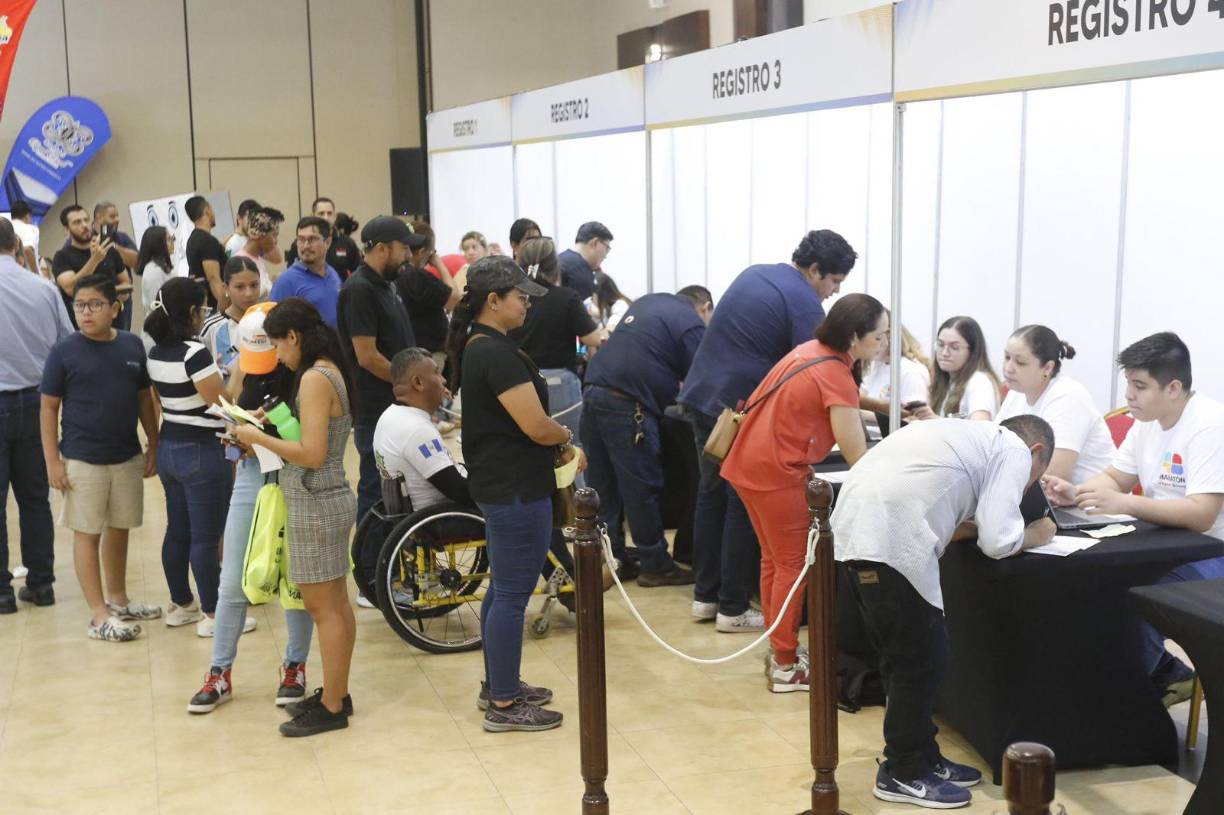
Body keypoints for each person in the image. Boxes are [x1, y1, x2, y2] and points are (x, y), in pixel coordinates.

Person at [834, 415, 1058, 809]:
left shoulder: (967, 434)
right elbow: (998, 541)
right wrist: (1037, 534)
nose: (1028, 487)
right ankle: (902, 771)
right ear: (1036, 452)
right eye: (1034, 478)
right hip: (891, 536)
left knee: (901, 657)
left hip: (856, 528)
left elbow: (960, 522)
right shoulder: (1015, 450)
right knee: (921, 660)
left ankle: (920, 756)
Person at [678, 229, 857, 633]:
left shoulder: (757, 273)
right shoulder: (802, 301)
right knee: (743, 501)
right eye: (833, 283)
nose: (830, 294)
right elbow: (819, 363)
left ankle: (705, 597)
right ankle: (733, 607)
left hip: (703, 397)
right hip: (736, 408)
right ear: (816, 271)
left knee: (710, 498)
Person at [1043, 332, 1224, 705]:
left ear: (1173, 387)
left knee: (1128, 596)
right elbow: (1115, 478)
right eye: (1129, 384)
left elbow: (1203, 514)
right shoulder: (1146, 421)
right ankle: (1156, 677)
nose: (1129, 396)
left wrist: (1124, 503)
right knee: (1090, 582)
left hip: (1211, 554)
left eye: (1139, 386)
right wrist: (1076, 493)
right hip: (1165, 544)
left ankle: (1124, 705)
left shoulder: (1209, 425)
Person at [723, 294, 888, 692]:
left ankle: (779, 647)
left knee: (775, 561)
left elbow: (826, 398)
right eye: (879, 337)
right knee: (793, 567)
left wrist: (875, 403)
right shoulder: (837, 375)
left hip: (749, 463)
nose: (883, 344)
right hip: (777, 474)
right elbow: (856, 455)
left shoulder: (809, 351)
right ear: (854, 338)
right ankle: (785, 664)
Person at [446, 255, 574, 732]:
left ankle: (498, 685)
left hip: (504, 484)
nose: (527, 304)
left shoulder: (484, 347)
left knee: (503, 588)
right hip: (514, 488)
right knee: (513, 595)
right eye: (520, 297)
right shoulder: (495, 354)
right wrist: (563, 437)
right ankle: (504, 704)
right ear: (492, 301)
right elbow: (535, 425)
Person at [232, 297, 357, 737]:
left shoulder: (314, 378)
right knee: (336, 604)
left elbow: (311, 452)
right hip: (325, 496)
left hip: (315, 499)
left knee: (325, 609)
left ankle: (333, 704)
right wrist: (271, 424)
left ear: (294, 337)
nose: (276, 356)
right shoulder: (327, 371)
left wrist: (252, 435)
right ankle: (335, 692)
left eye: (278, 345)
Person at [39, 274, 161, 640]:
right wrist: (52, 461)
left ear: (114, 308)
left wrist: (153, 444)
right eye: (79, 305)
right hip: (81, 458)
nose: (85, 312)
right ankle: (98, 614)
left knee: (121, 526)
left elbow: (144, 399)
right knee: (87, 532)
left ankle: (119, 599)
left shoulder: (130, 346)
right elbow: (47, 408)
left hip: (125, 454)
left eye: (94, 304)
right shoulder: (64, 351)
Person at [582, 285, 712, 585]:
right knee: (640, 485)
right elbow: (702, 379)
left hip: (593, 391)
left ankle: (612, 558)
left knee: (604, 487)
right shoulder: (692, 323)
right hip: (628, 404)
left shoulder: (648, 302)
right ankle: (655, 563)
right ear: (704, 307)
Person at [508, 237, 603, 590]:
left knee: (539, 465)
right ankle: (583, 543)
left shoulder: (519, 299)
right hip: (562, 384)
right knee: (571, 461)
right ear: (555, 267)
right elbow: (594, 339)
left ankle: (552, 546)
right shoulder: (566, 299)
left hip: (521, 383)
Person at [145, 277, 232, 633]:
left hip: (170, 448)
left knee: (178, 530)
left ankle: (182, 604)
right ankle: (214, 615)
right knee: (206, 536)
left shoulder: (155, 353)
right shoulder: (194, 353)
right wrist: (235, 374)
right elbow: (222, 404)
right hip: (201, 450)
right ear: (192, 312)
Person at [0, 218, 73, 615]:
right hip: (37, 402)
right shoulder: (43, 288)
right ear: (14, 244)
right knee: (34, 498)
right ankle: (41, 583)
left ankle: (1, 593)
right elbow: (65, 346)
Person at [337, 215, 416, 528]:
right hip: (376, 410)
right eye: (404, 249)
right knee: (376, 487)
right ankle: (370, 565)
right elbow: (367, 356)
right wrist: (412, 383)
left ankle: (392, 558)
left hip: (397, 405)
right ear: (382, 249)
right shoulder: (360, 289)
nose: (409, 256)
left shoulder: (387, 285)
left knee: (398, 489)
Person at [996, 325, 1114, 484]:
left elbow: (1053, 475)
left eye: (1020, 362)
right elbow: (991, 446)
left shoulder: (1069, 396)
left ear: (1047, 367)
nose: (1008, 368)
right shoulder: (1016, 393)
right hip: (1035, 495)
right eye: (1007, 357)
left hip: (1085, 503)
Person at [375, 348, 472, 512]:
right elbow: (461, 492)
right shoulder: (415, 429)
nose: (444, 381)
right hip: (443, 519)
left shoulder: (390, 416)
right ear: (418, 383)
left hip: (424, 514)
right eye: (437, 373)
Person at [52, 204, 131, 328]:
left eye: (86, 220)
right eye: (77, 222)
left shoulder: (108, 250)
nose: (84, 225)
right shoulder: (62, 257)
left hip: (115, 326)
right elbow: (71, 289)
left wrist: (114, 294)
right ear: (67, 230)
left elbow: (126, 283)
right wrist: (94, 260)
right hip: (83, 330)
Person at [396, 222, 459, 368]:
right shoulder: (417, 276)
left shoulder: (396, 272)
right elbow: (454, 299)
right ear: (423, 251)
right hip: (428, 352)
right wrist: (438, 263)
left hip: (410, 350)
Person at [201, 256, 263, 390]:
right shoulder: (211, 328)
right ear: (226, 288)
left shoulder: (271, 321)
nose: (248, 293)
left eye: (254, 285)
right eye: (240, 287)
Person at [270, 217, 343, 327]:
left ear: (327, 242)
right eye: (301, 239)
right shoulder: (285, 282)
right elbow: (274, 327)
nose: (305, 246)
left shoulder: (332, 273)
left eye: (312, 239)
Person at [926, 316, 1001, 420]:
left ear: (973, 351)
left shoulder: (979, 381)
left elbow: (979, 428)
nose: (944, 353)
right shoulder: (948, 380)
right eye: (940, 345)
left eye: (954, 347)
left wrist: (935, 421)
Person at [859, 320, 931, 419]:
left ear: (888, 336)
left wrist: (859, 414)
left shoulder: (911, 371)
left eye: (876, 337)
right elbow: (861, 398)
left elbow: (912, 418)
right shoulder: (877, 364)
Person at [282, 198, 362, 280]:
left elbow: (359, 273)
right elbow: (291, 273)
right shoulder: (300, 244)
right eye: (321, 213)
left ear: (335, 216)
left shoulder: (348, 243)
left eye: (329, 213)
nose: (326, 217)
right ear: (313, 215)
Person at [184, 195, 228, 311]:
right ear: (207, 210)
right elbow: (213, 278)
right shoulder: (207, 241)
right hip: (213, 307)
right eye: (212, 209)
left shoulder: (192, 240)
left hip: (203, 304)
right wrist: (225, 309)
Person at [235, 206, 285, 295]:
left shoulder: (257, 258)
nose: (276, 241)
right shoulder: (241, 263)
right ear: (258, 235)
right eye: (274, 235)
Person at [557, 221, 612, 301]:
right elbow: (584, 312)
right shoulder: (580, 270)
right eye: (607, 248)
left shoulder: (558, 259)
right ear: (595, 242)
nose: (605, 256)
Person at [10, 200, 40, 273]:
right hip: (27, 275)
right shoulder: (30, 228)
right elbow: (27, 249)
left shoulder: (5, 229)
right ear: (28, 216)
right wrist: (36, 274)